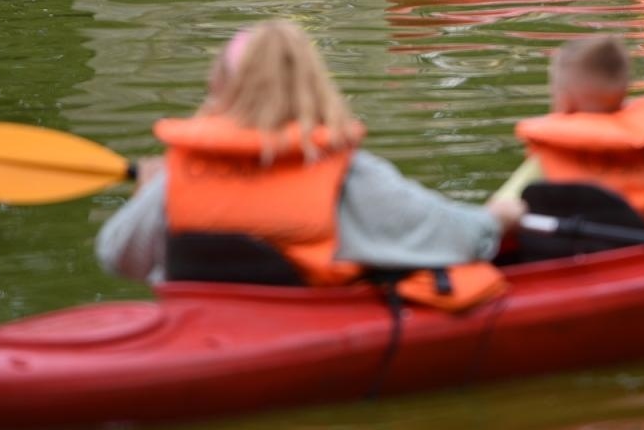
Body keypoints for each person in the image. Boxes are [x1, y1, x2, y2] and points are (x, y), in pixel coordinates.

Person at [96, 20, 525, 308]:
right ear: (317, 84)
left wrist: (147, 192)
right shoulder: (349, 173)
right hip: (303, 328)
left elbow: (118, 257)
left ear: (219, 88)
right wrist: (496, 218)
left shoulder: (177, 174)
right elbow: (460, 240)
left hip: (200, 330)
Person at [490, 35, 644, 229]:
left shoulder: (547, 159)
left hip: (578, 257)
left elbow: (495, 215)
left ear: (565, 100)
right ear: (624, 94)